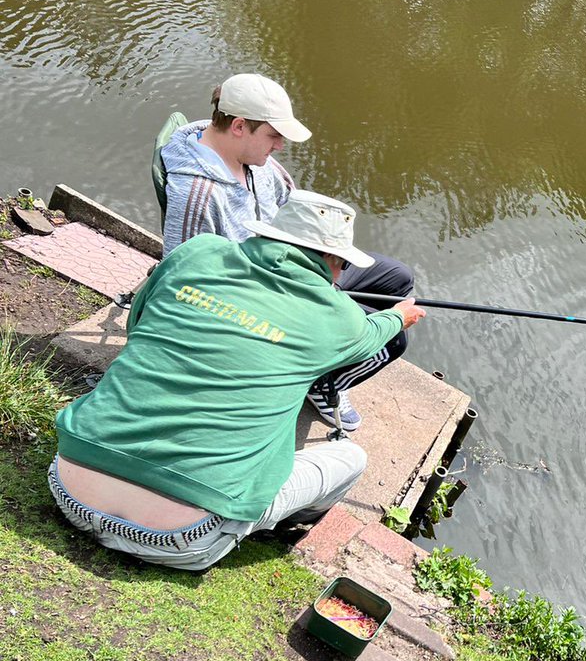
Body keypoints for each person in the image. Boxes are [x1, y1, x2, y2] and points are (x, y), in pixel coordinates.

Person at [49, 192, 426, 571]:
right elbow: (373, 334)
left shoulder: (197, 252)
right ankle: (284, 526)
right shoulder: (340, 316)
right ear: (331, 257)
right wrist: (399, 317)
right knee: (352, 459)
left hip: (67, 489)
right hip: (182, 541)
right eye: (343, 263)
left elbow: (138, 324)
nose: (342, 274)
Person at [160, 74, 415, 431]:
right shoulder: (197, 195)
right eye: (274, 135)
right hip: (259, 296)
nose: (280, 146)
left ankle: (325, 360)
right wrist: (308, 296)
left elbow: (294, 209)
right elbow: (181, 281)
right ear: (238, 126)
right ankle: (322, 384)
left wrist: (325, 263)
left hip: (290, 266)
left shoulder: (256, 162)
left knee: (397, 279)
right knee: (393, 338)